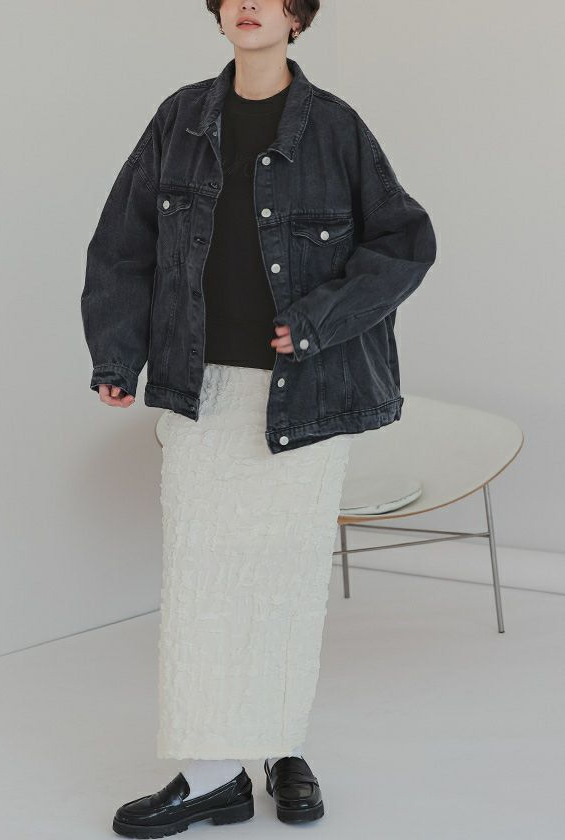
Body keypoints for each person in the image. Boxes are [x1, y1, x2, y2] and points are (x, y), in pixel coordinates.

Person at [81, 1, 437, 836]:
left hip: (304, 395)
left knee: (285, 586)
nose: (249, 4)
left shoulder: (337, 128)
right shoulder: (179, 120)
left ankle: (282, 748)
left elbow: (404, 243)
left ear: (296, 17)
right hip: (200, 389)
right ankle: (212, 774)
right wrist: (116, 356)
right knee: (202, 584)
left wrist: (317, 320)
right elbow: (124, 245)